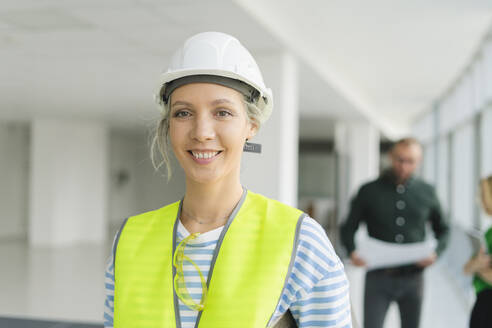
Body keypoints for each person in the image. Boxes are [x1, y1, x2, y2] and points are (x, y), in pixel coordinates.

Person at [102, 32, 352, 328]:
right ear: (169, 126)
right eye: (183, 113)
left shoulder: (301, 242)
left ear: (251, 126)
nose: (202, 131)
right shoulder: (129, 239)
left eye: (222, 112)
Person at [340, 137, 449, 328]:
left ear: (419, 162)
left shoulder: (428, 192)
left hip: (414, 278)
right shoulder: (368, 190)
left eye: (410, 161)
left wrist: (436, 253)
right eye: (399, 159)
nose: (403, 166)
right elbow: (348, 226)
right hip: (377, 277)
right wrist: (352, 251)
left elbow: (444, 229)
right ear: (390, 157)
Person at [463, 176, 492, 328]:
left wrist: (477, 266)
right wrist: (478, 265)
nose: (479, 200)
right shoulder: (489, 233)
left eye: (483, 195)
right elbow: (466, 269)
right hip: (483, 303)